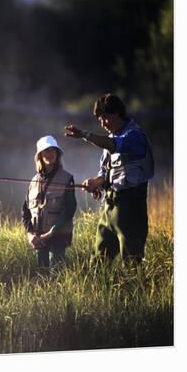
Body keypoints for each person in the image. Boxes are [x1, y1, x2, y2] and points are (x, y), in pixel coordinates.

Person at [65, 93, 154, 263]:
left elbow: (115, 146)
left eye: (105, 118)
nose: (103, 123)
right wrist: (95, 183)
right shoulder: (110, 140)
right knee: (98, 261)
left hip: (131, 206)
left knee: (131, 262)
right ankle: (98, 289)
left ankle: (133, 290)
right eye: (100, 119)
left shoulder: (134, 136)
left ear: (117, 113)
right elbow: (106, 173)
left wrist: (84, 134)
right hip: (109, 207)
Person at [22, 135, 77, 271]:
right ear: (39, 155)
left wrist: (49, 234)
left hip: (57, 239)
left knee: (57, 278)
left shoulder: (67, 178)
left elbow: (69, 210)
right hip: (38, 240)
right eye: (46, 151)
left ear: (57, 154)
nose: (50, 154)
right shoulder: (33, 181)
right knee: (41, 278)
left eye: (53, 150)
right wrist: (30, 235)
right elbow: (25, 212)